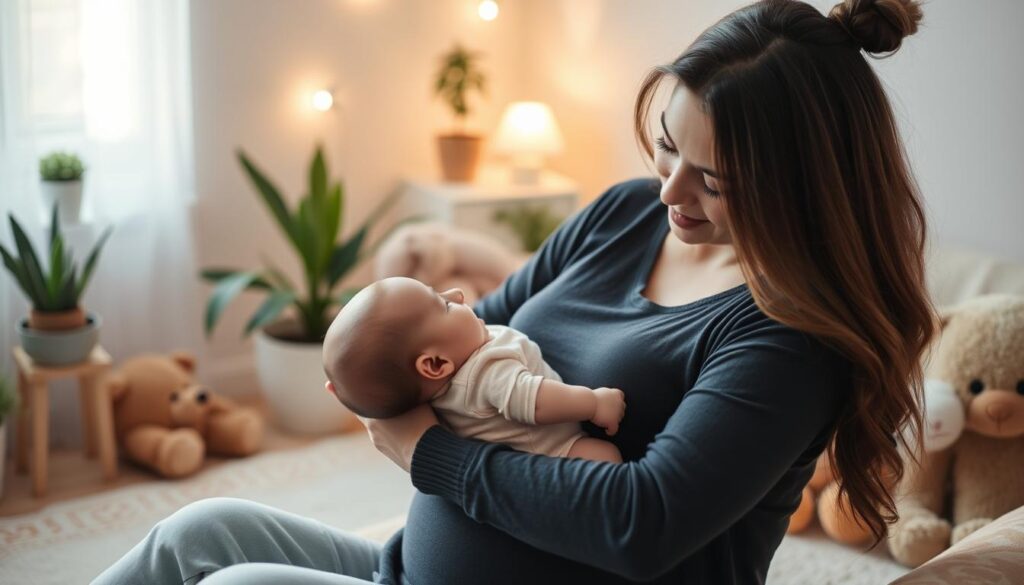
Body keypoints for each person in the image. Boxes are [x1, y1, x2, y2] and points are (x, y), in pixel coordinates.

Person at [92, 1, 936, 583]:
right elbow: (466, 338)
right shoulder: (624, 215)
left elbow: (637, 524)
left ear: (802, 186)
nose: (671, 192)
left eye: (714, 180)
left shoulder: (788, 341)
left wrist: (431, 452)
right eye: (667, 147)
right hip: (410, 566)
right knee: (195, 530)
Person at [321, 276, 626, 462]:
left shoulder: (454, 369)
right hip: (553, 452)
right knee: (605, 458)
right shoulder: (483, 373)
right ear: (436, 364)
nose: (456, 293)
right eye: (443, 305)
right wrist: (593, 403)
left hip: (517, 460)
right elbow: (536, 401)